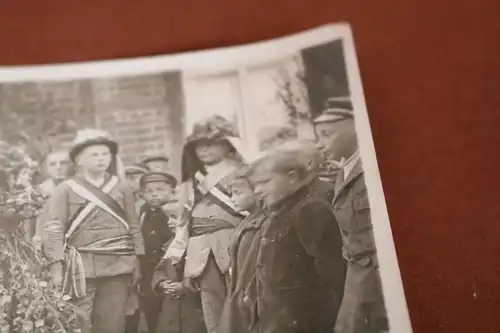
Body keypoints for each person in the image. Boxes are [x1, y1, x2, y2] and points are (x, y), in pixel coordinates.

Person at [42, 129, 144, 333]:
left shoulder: (122, 186)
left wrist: (138, 259)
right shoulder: (66, 189)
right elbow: (54, 228)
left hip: (118, 265)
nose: (101, 159)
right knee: (79, 323)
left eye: (105, 154)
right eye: (94, 154)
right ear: (79, 159)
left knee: (113, 324)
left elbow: (133, 224)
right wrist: (56, 265)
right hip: (80, 268)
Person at [246, 144, 346, 333]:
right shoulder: (279, 213)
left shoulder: (310, 210)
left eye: (265, 182)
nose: (257, 190)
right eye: (254, 185)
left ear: (292, 178)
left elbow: (334, 275)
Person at [164, 115, 249, 333]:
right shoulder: (193, 179)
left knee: (241, 301)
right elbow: (185, 219)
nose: (204, 149)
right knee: (211, 305)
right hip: (200, 247)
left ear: (226, 144)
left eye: (211, 144)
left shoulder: (242, 170)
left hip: (234, 241)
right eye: (199, 145)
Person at [314, 99, 389, 333]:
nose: (320, 144)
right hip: (358, 275)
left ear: (354, 127)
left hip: (377, 278)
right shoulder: (345, 171)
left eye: (327, 135)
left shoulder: (372, 169)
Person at [216, 167, 264, 333]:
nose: (232, 199)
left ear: (257, 191)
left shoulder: (264, 221)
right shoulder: (248, 220)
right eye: (230, 193)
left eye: (237, 192)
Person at [135, 171, 178, 332]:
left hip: (170, 266)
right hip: (147, 269)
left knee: (172, 309)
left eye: (160, 189)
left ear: (172, 192)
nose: (154, 194)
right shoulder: (142, 213)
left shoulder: (175, 212)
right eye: (149, 191)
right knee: (151, 309)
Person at [33, 149, 72, 249]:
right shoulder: (38, 192)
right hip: (47, 245)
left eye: (63, 163)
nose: (58, 167)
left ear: (72, 165)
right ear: (46, 169)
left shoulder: (81, 189)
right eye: (52, 164)